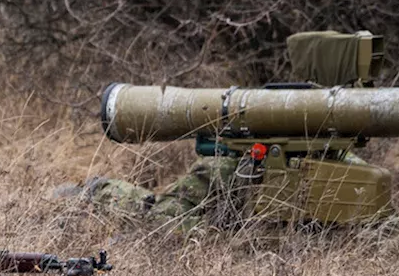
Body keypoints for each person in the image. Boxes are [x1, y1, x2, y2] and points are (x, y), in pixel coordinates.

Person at [64, 31, 382, 227]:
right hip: (234, 165)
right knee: (166, 218)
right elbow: (175, 221)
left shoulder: (345, 167)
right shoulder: (230, 161)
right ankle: (99, 193)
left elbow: (384, 228)